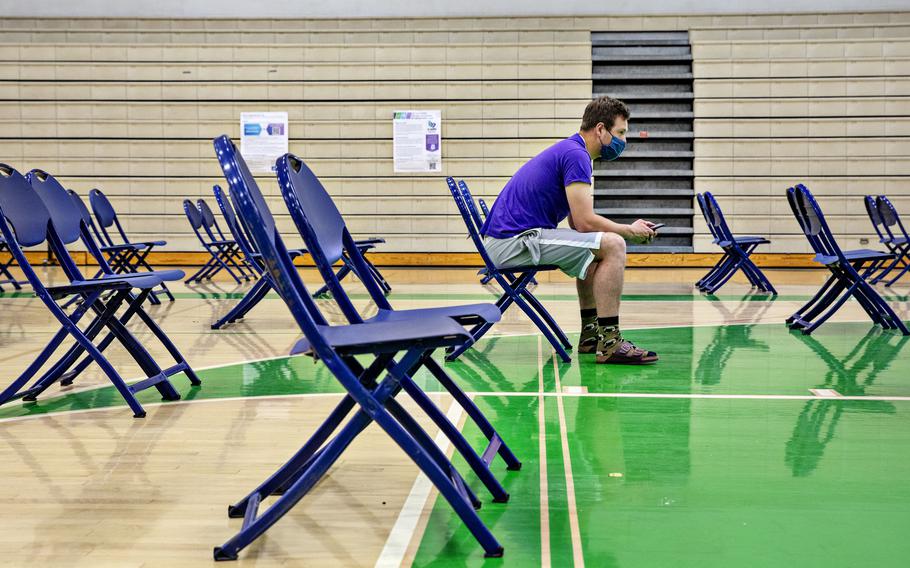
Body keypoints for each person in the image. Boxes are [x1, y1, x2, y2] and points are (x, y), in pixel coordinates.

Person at [480, 96, 659, 364]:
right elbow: (586, 222)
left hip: (509, 241)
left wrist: (616, 231)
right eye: (620, 133)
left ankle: (590, 336)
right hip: (513, 242)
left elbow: (578, 225)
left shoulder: (573, 151)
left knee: (595, 247)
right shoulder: (577, 155)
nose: (624, 141)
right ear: (600, 129)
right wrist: (628, 231)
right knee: (614, 245)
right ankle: (610, 342)